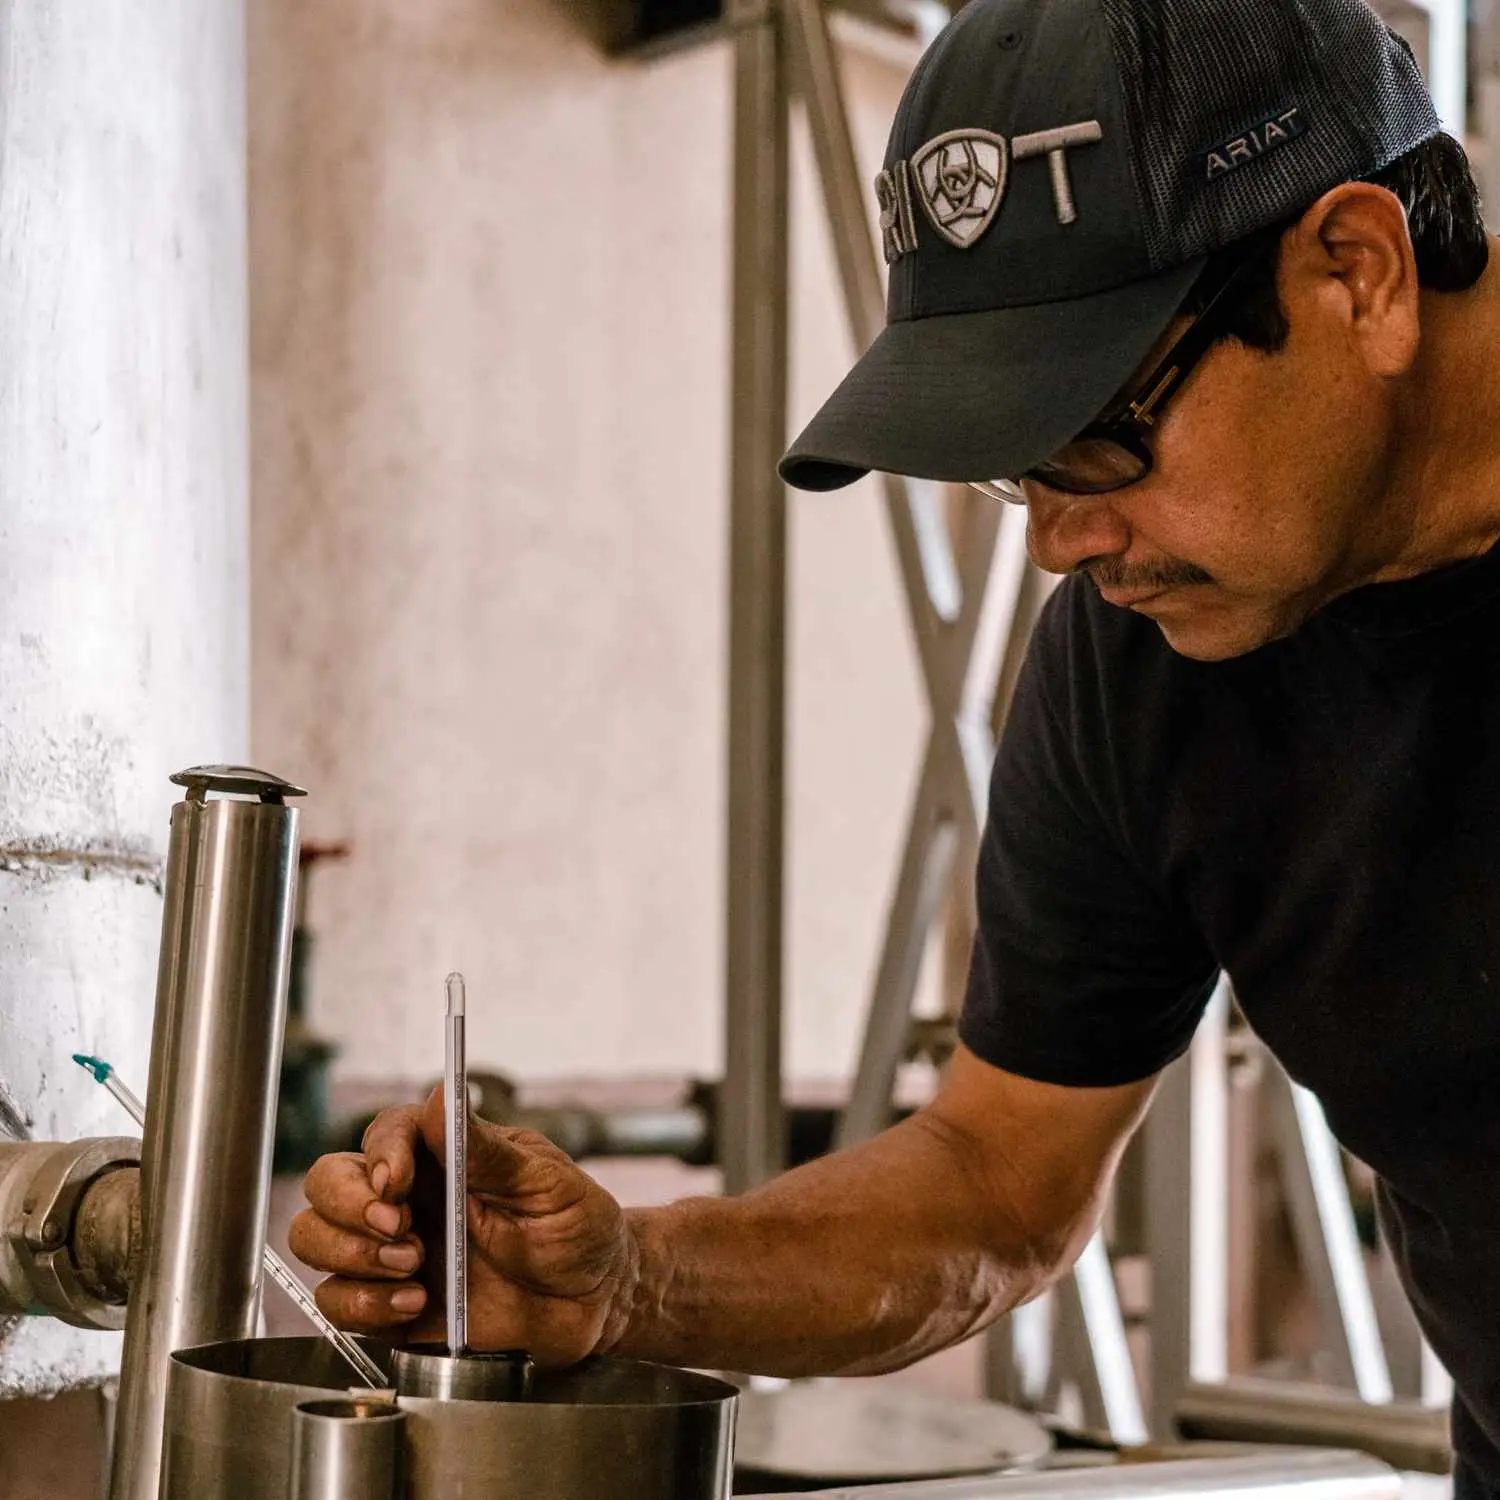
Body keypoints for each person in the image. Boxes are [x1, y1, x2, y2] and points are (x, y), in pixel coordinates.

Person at [291, 0, 1500, 1492]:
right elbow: (996, 1187)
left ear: (1359, 272)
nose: (1060, 542)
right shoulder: (1142, 675)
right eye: (1017, 476)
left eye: (1097, 440)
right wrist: (625, 1281)